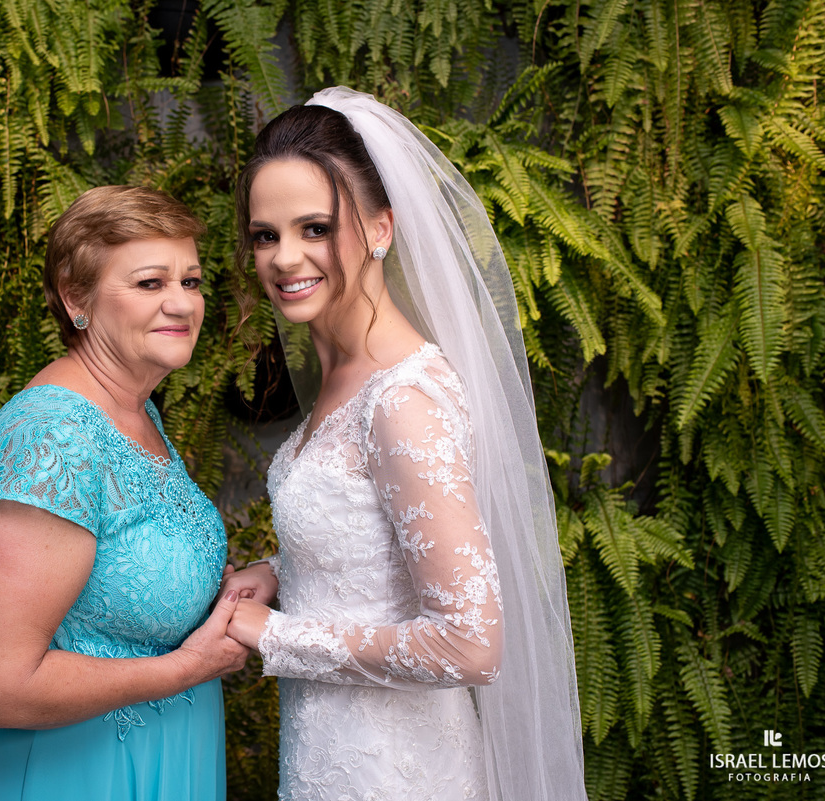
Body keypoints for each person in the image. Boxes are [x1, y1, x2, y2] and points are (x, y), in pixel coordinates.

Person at [222, 88, 587, 801]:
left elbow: (470, 642)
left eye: (315, 227)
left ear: (381, 227)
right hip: (332, 760)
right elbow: (374, 550)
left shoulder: (401, 401)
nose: (284, 256)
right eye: (265, 234)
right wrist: (283, 568)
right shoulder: (346, 377)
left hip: (393, 774)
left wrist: (277, 635)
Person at [0, 185, 249, 800]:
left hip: (163, 759)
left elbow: (126, 569)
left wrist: (241, 582)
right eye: (149, 283)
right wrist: (187, 669)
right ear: (76, 296)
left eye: (190, 281)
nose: (181, 303)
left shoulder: (132, 410)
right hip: (76, 776)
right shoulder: (50, 441)